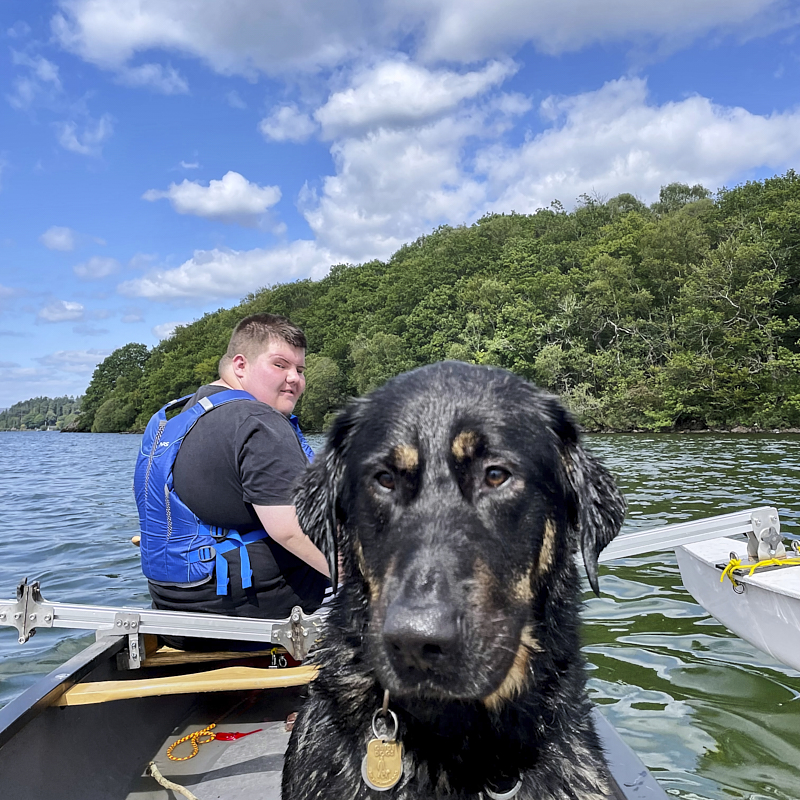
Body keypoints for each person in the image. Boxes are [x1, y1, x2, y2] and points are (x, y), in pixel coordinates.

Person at [134, 313, 331, 649]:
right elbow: (290, 529)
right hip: (248, 619)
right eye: (280, 365)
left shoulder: (180, 418)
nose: (294, 379)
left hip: (174, 613)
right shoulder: (258, 421)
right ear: (240, 365)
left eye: (300, 370)